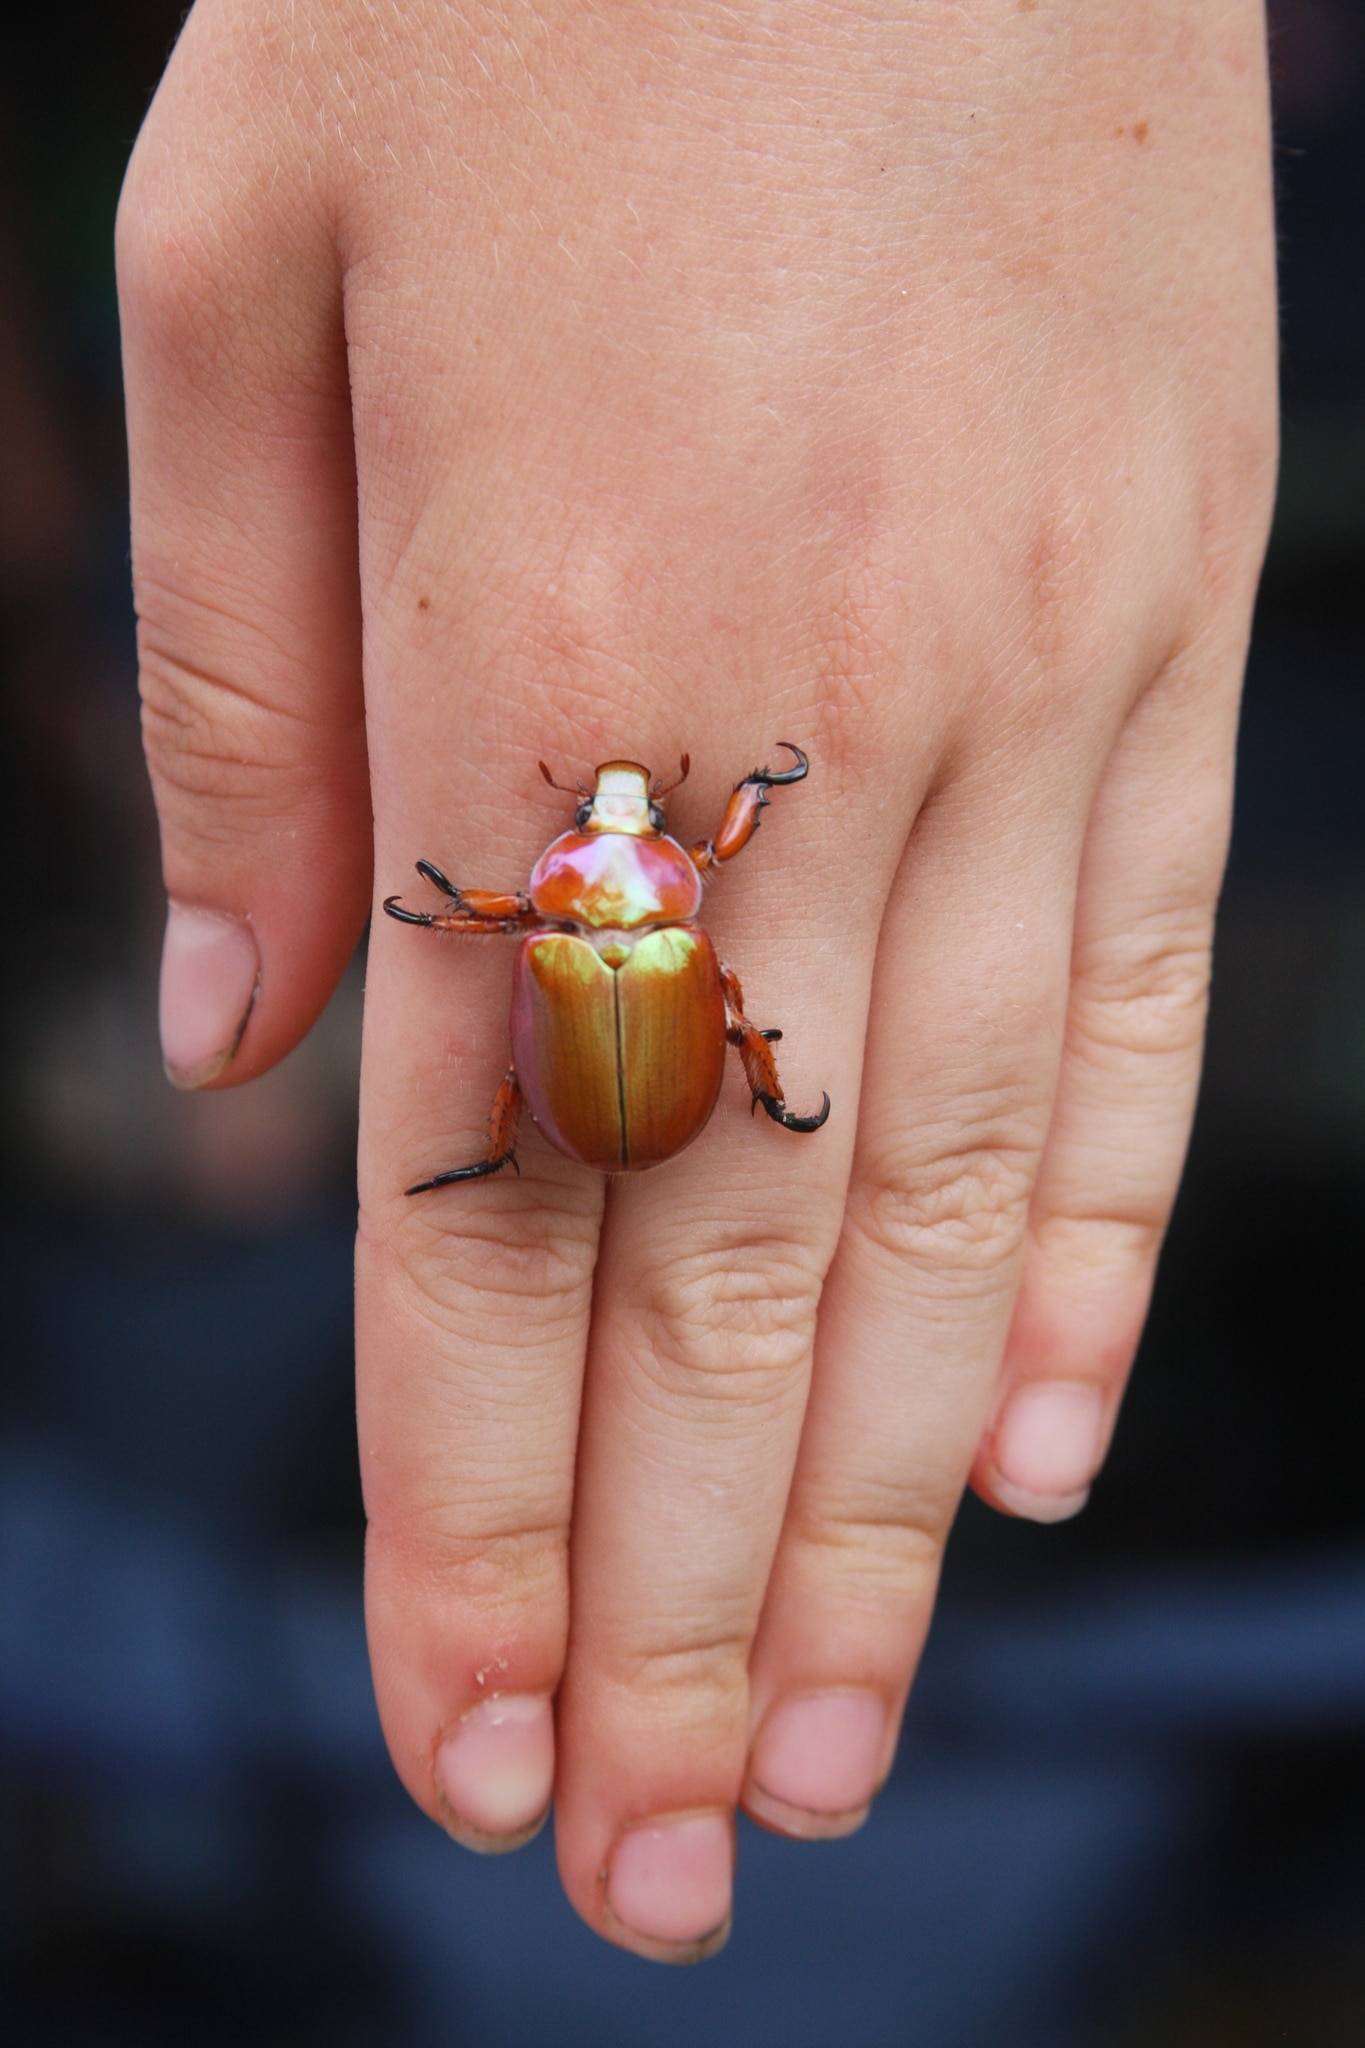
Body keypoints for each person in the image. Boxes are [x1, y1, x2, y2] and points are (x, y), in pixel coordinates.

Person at [116, 0, 1277, 1964]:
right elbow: (694, 876)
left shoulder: (591, 898)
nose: (628, 817)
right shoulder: (657, 899)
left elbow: (645, 881)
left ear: (607, 869)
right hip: (633, 1057)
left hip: (601, 1065)